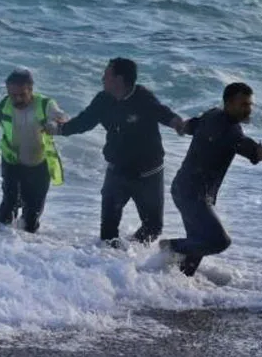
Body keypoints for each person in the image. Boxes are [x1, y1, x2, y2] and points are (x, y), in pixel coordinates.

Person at [161, 82, 262, 276]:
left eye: (250, 104)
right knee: (218, 241)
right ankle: (170, 246)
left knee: (198, 243)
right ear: (228, 103)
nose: (248, 109)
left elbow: (190, 126)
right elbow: (259, 153)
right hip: (194, 194)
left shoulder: (212, 114)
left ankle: (174, 281)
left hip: (184, 188)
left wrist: (180, 126)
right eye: (243, 104)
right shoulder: (230, 132)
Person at [50, 58, 185, 245]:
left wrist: (177, 123)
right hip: (117, 171)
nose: (102, 79)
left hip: (148, 174)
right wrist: (59, 130)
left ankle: (129, 253)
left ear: (119, 80)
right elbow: (84, 121)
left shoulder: (143, 98)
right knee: (107, 232)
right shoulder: (103, 99)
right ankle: (110, 258)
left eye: (106, 75)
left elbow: (162, 113)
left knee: (153, 228)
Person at [0, 68, 68, 233]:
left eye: (22, 94)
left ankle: (28, 245)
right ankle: (1, 242)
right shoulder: (4, 106)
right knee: (8, 206)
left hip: (39, 164)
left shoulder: (45, 104)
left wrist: (55, 124)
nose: (17, 99)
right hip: (12, 163)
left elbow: (62, 118)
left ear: (31, 89)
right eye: (12, 95)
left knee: (32, 216)